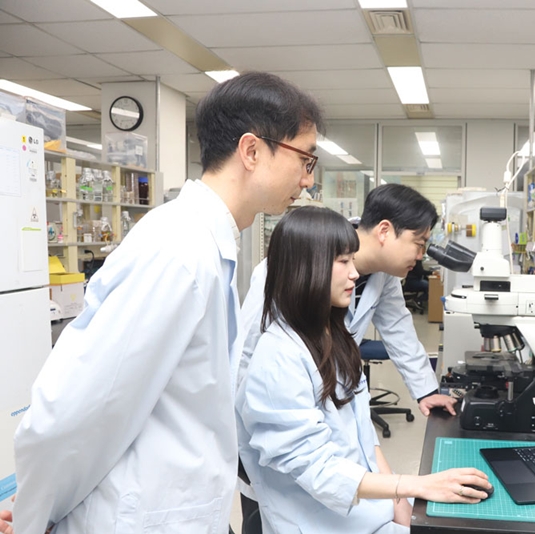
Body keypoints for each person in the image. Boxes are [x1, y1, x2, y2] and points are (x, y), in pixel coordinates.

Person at [3, 71, 322, 534]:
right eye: (305, 160)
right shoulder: (179, 251)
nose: (307, 180)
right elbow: (76, 411)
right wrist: (34, 517)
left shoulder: (208, 246)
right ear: (252, 151)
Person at [236, 206, 491, 534]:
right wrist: (414, 486)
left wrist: (401, 504)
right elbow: (319, 470)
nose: (354, 274)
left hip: (363, 514)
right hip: (320, 522)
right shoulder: (278, 359)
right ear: (306, 268)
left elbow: (364, 435)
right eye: (343, 262)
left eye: (353, 261)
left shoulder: (336, 339)